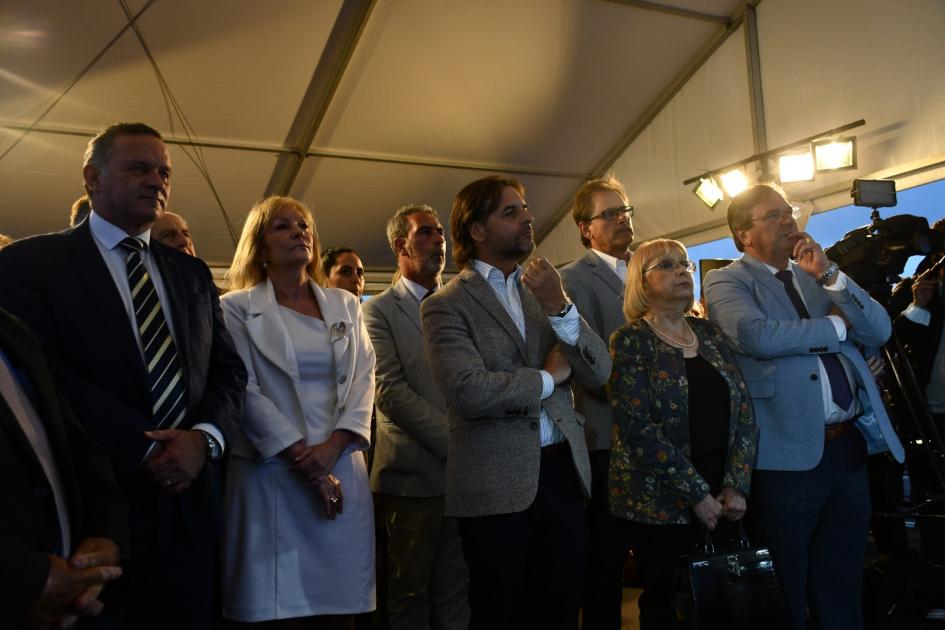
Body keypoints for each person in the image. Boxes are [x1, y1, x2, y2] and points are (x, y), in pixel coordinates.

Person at [0, 122, 247, 629]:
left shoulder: (191, 274)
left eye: (164, 172)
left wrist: (204, 439)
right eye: (139, 168)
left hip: (190, 510)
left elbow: (227, 372)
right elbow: (45, 379)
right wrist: (146, 449)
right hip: (97, 513)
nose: (156, 181)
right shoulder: (31, 265)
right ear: (92, 177)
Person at [704, 183, 904, 629]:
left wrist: (831, 275)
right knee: (788, 585)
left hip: (847, 449)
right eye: (772, 215)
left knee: (843, 578)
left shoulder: (817, 277)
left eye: (788, 211)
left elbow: (879, 330)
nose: (788, 220)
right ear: (743, 234)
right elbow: (756, 336)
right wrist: (835, 328)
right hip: (785, 457)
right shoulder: (726, 280)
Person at [421, 175, 611, 630]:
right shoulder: (445, 305)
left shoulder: (546, 289)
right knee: (500, 613)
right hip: (494, 485)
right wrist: (547, 379)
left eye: (524, 208)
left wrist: (561, 309)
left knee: (562, 610)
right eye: (511, 212)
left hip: (564, 474)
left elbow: (599, 369)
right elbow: (469, 391)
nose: (528, 217)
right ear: (477, 231)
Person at [220, 195, 376, 628]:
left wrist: (332, 449)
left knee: (336, 613)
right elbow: (243, 390)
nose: (298, 233)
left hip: (342, 467)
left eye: (303, 225)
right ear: (259, 245)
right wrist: (305, 460)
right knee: (275, 610)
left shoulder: (345, 306)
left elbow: (365, 378)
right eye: (283, 226)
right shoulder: (234, 307)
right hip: (271, 475)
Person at [607, 239, 757, 629]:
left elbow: (743, 410)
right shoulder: (630, 340)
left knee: (725, 605)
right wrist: (695, 494)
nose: (682, 272)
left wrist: (736, 485)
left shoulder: (710, 334)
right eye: (667, 265)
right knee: (666, 606)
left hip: (724, 497)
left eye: (686, 265)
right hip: (660, 502)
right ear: (641, 282)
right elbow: (637, 428)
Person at [363, 204, 469, 630]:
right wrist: (456, 442)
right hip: (412, 477)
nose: (439, 240)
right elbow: (389, 391)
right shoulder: (377, 311)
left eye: (441, 232)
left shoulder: (463, 302)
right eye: (426, 232)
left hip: (466, 477)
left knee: (457, 589)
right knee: (409, 592)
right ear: (399, 245)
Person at [1, 306, 127, 629]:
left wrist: (106, 537)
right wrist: (28, 580)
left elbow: (77, 448)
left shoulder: (13, 329)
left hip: (73, 601)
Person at [558, 175, 635, 630]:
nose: (622, 220)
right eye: (610, 213)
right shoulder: (572, 280)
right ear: (585, 228)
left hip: (657, 438)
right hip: (605, 436)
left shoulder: (647, 268)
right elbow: (587, 359)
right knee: (605, 562)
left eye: (625, 211)